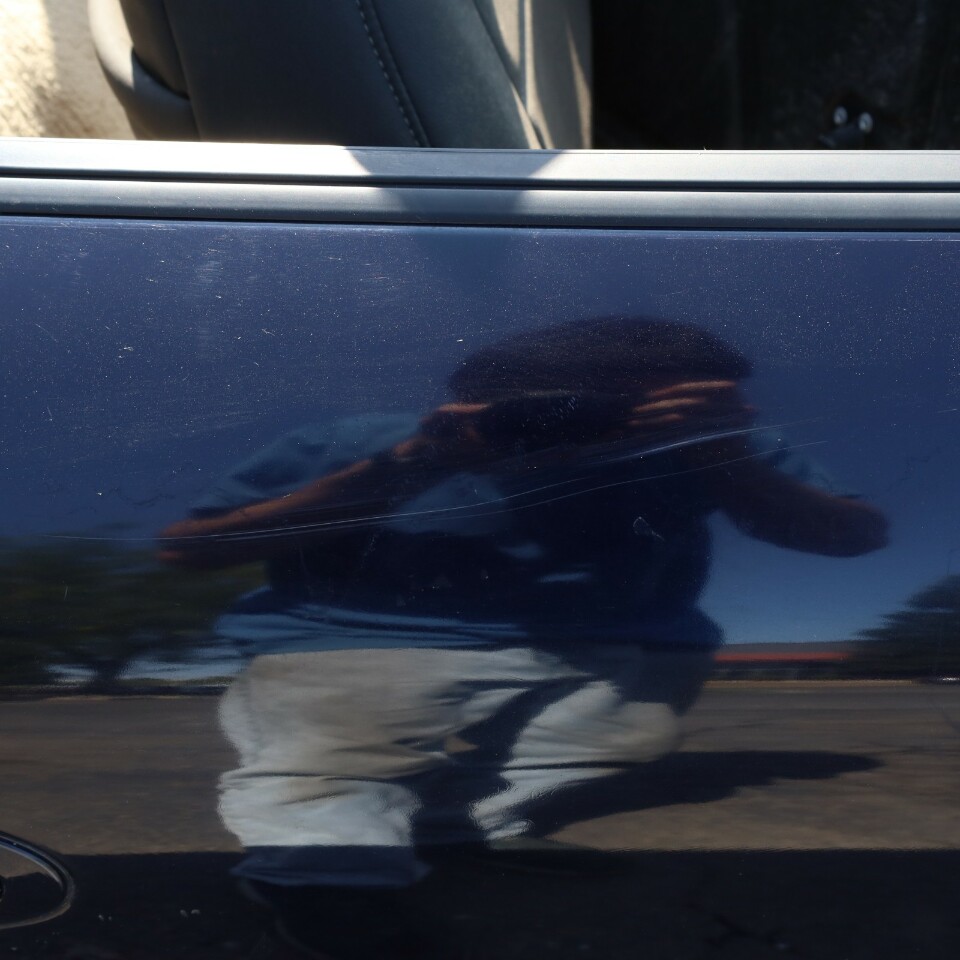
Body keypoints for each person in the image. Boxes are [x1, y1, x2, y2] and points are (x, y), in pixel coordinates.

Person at [160, 317, 887, 959]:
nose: (584, 426)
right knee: (335, 760)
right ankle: (323, 878)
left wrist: (721, 450)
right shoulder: (358, 441)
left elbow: (852, 537)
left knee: (609, 745)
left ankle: (460, 827)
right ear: (477, 397)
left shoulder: (716, 444)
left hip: (629, 644)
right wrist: (415, 461)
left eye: (631, 406)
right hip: (362, 636)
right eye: (559, 406)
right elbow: (189, 550)